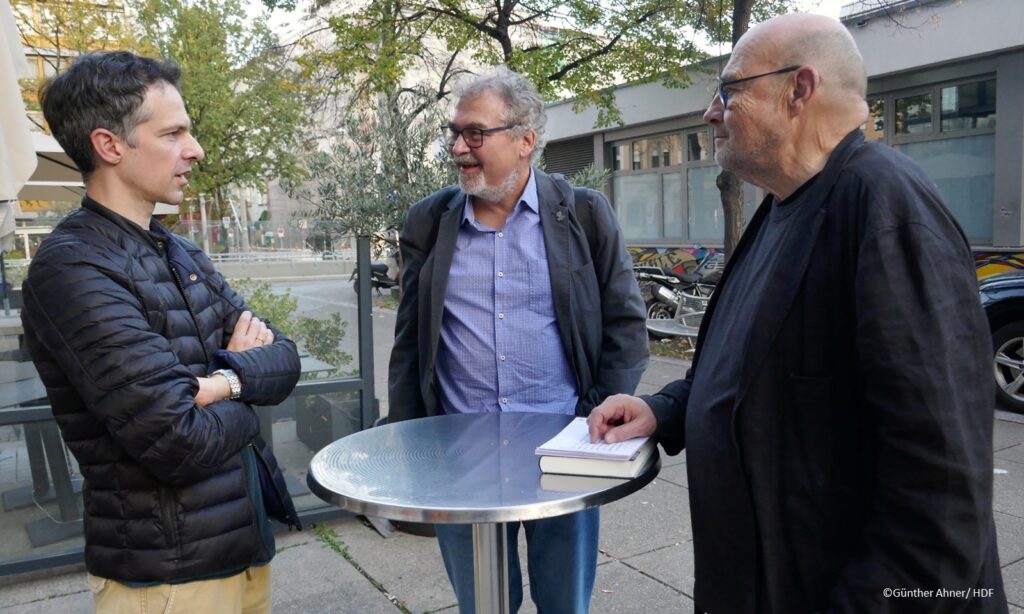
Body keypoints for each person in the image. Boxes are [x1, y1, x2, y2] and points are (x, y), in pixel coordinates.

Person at [588, 13, 1007, 614]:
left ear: (799, 91)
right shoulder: (784, 207)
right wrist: (662, 410)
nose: (710, 113)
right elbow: (754, 372)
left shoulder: (885, 208)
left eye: (728, 90)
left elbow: (941, 492)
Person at [21, 51, 302, 612]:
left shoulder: (179, 249)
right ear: (110, 145)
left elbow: (287, 359)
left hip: (245, 546)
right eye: (173, 133)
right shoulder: (73, 268)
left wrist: (218, 385)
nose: (194, 150)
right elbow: (177, 440)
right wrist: (244, 381)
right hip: (169, 578)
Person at [388, 66, 648, 613]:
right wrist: (411, 445)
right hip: (460, 459)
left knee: (563, 603)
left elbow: (626, 325)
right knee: (484, 605)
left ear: (526, 139)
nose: (459, 147)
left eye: (475, 133)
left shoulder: (582, 214)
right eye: (454, 133)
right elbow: (410, 339)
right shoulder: (428, 222)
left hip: (564, 453)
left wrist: (595, 419)